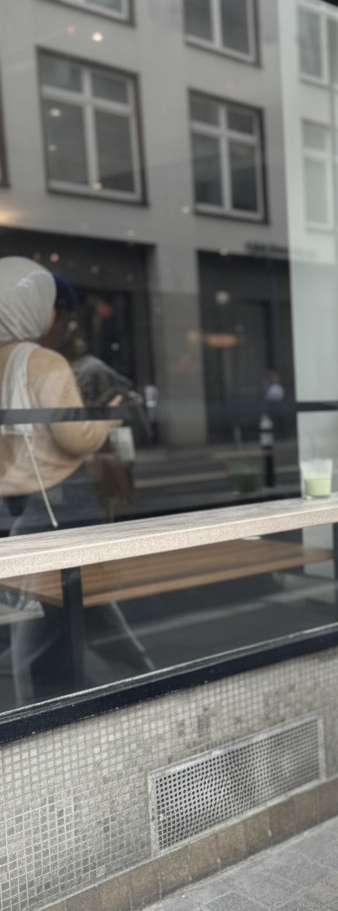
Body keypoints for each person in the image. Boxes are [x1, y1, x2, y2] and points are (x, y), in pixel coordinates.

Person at [0, 256, 153, 703]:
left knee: (82, 602)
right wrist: (106, 420)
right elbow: (75, 437)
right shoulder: (43, 362)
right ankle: (44, 710)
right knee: (49, 613)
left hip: (17, 500)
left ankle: (140, 677)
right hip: (61, 503)